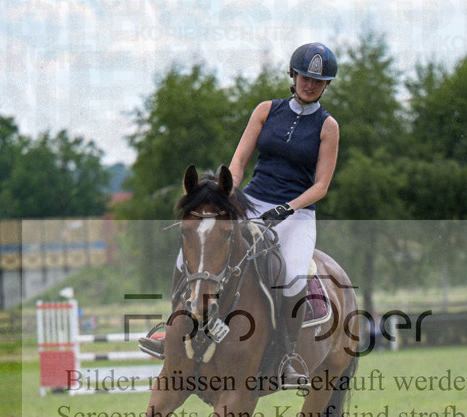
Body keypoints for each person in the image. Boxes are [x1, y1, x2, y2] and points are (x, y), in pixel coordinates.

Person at [142, 42, 340, 390]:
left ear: (326, 85)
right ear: (293, 76)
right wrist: (227, 193)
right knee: (195, 254)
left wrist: (287, 208)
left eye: (318, 81)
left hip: (296, 214)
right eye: (305, 78)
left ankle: (287, 355)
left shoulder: (328, 127)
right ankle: (172, 329)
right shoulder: (266, 110)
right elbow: (238, 162)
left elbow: (321, 185)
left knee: (292, 276)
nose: (310, 85)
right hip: (250, 202)